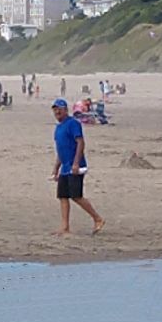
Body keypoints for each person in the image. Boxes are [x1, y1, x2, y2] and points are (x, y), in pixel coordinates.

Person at [51, 98, 105, 236]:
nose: (57, 111)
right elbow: (60, 150)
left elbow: (80, 143)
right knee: (63, 196)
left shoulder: (73, 124)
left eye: (59, 109)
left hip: (76, 166)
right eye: (55, 109)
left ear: (65, 110)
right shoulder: (58, 128)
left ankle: (98, 219)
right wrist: (56, 168)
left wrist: (76, 163)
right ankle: (65, 227)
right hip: (64, 167)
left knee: (76, 196)